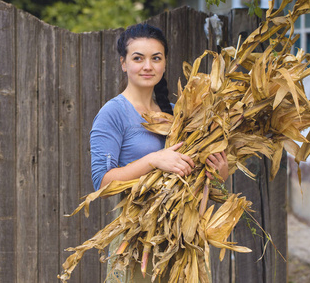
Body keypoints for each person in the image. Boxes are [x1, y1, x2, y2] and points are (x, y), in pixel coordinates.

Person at [90, 23, 229, 282]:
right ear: (123, 63)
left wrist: (218, 173)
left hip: (183, 243)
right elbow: (102, 181)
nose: (148, 66)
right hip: (137, 244)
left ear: (164, 63)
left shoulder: (180, 113)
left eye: (156, 58)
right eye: (138, 58)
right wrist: (154, 160)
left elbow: (192, 181)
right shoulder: (113, 113)